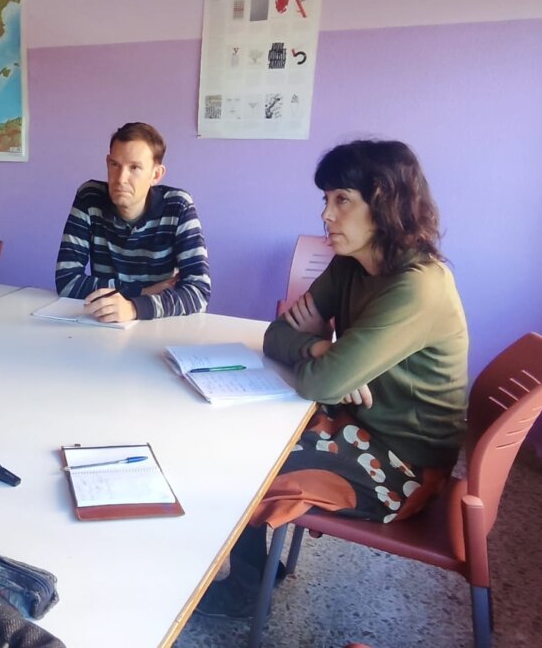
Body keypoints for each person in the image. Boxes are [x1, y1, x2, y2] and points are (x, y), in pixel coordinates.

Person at [196, 139, 469, 618]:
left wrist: (328, 367)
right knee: (232, 430)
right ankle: (255, 574)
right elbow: (276, 335)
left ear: (383, 200)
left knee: (243, 464)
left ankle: (242, 590)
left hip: (401, 468)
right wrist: (320, 348)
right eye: (326, 200)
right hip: (355, 424)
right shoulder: (351, 266)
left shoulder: (417, 286)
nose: (326, 214)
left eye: (342, 199)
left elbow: (318, 385)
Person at [54, 121, 211, 323]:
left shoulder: (178, 206)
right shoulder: (89, 198)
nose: (120, 178)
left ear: (156, 174)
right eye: (115, 165)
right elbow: (66, 281)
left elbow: (199, 292)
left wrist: (134, 308)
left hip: (161, 324)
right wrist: (143, 291)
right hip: (104, 324)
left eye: (134, 167)